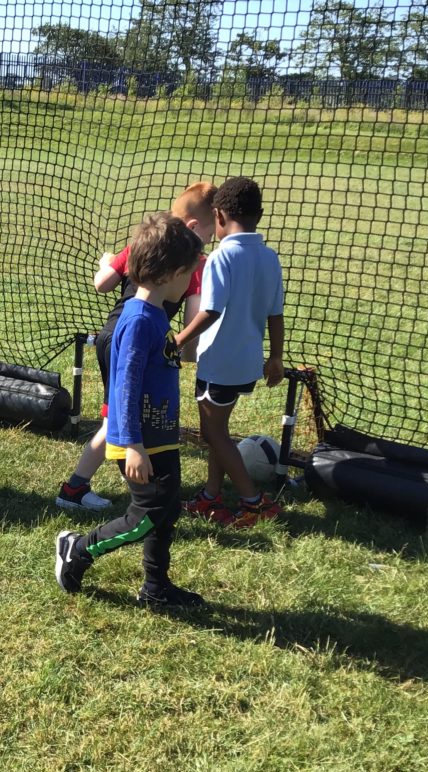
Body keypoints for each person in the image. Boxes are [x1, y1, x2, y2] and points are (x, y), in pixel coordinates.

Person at [54, 212, 206, 610]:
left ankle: (156, 587)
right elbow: (125, 386)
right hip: (138, 441)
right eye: (189, 274)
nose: (191, 283)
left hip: (160, 436)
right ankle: (78, 549)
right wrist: (134, 446)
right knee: (144, 517)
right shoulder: (138, 321)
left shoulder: (155, 315)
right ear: (171, 274)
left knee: (166, 512)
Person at [56, 182, 217, 512]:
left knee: (115, 418)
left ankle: (92, 485)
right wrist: (187, 355)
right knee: (117, 420)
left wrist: (106, 264)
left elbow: (102, 284)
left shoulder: (142, 244)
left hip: (110, 336)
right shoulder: (192, 263)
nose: (210, 240)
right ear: (193, 227)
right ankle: (78, 488)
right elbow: (192, 321)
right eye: (211, 232)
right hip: (136, 341)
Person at [175, 176, 285, 528]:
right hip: (247, 363)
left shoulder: (221, 257)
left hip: (219, 363)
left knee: (213, 433)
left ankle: (254, 503)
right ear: (260, 215)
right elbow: (275, 313)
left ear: (218, 216)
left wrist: (177, 340)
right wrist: (276, 357)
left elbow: (211, 310)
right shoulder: (269, 257)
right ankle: (211, 495)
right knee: (218, 431)